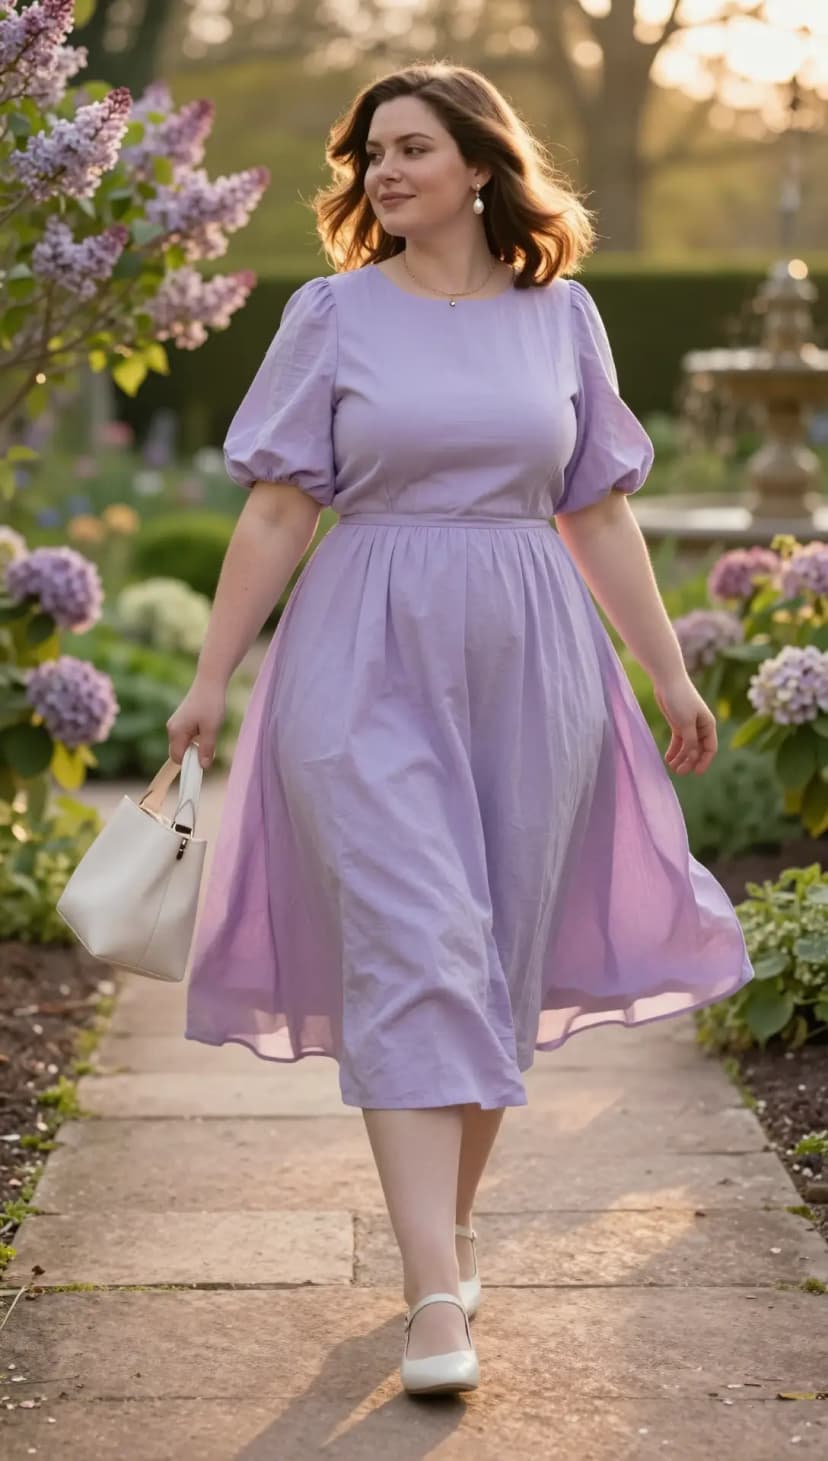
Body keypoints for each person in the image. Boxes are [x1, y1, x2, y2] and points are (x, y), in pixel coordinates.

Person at [166, 62, 754, 1398]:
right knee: (414, 944)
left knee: (496, 962)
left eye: (412, 148)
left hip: (532, 660)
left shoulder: (563, 316)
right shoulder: (332, 314)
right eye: (370, 154)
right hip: (359, 654)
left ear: (480, 166)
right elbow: (278, 508)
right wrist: (209, 677)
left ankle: (452, 1226)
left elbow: (595, 506)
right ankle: (434, 1294)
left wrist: (667, 674)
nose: (383, 172)